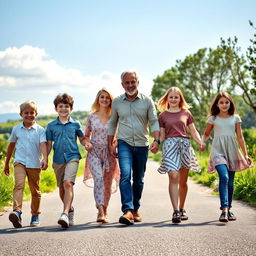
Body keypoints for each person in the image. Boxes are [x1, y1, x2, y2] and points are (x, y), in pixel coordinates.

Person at [108, 71, 160, 225]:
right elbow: (112, 123)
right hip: (124, 143)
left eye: (133, 82)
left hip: (142, 144)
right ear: (122, 84)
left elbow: (154, 122)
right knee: (125, 175)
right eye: (127, 82)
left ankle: (136, 208)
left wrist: (157, 140)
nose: (130, 85)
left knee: (139, 179)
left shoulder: (147, 101)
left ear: (138, 82)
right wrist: (110, 144)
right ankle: (127, 210)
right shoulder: (117, 102)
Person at [200, 91, 252, 222]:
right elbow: (206, 134)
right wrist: (202, 142)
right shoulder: (213, 118)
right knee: (224, 176)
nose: (224, 105)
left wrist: (245, 154)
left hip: (232, 151)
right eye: (221, 102)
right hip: (218, 151)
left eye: (226, 102)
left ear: (230, 103)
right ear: (217, 104)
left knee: (230, 181)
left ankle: (229, 209)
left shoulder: (236, 118)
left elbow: (240, 137)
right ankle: (224, 210)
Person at [157, 87, 201, 224]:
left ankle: (182, 208)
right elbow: (162, 134)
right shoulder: (162, 116)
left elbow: (193, 131)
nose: (174, 99)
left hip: (185, 146)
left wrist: (200, 142)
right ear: (167, 99)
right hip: (170, 146)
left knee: (183, 181)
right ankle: (175, 211)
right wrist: (156, 143)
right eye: (171, 97)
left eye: (176, 97)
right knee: (173, 176)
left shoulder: (186, 113)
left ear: (180, 99)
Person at [3, 101, 48, 228]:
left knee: (35, 191)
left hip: (34, 164)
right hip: (20, 162)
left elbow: (43, 144)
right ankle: (17, 212)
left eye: (31, 113)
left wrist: (45, 158)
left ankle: (35, 215)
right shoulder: (16, 129)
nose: (29, 115)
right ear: (21, 114)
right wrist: (6, 164)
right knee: (19, 186)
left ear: (36, 114)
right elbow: (11, 146)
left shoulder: (40, 130)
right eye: (26, 113)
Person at [46, 93, 85, 228]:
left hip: (73, 157)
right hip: (57, 160)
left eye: (66, 106)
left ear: (71, 108)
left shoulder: (76, 124)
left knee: (68, 183)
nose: (63, 109)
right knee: (62, 189)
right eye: (60, 106)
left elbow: (82, 139)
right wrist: (44, 159)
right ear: (56, 108)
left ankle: (64, 213)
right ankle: (70, 210)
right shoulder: (51, 126)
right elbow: (48, 144)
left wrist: (88, 144)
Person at [84, 88, 120, 224]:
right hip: (94, 152)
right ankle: (99, 211)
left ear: (111, 100)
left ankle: (105, 210)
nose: (104, 99)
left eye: (107, 97)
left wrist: (115, 144)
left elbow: (119, 134)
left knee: (107, 183)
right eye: (102, 97)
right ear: (98, 99)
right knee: (98, 178)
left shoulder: (115, 117)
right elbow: (85, 136)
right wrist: (87, 143)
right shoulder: (91, 117)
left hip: (110, 152)